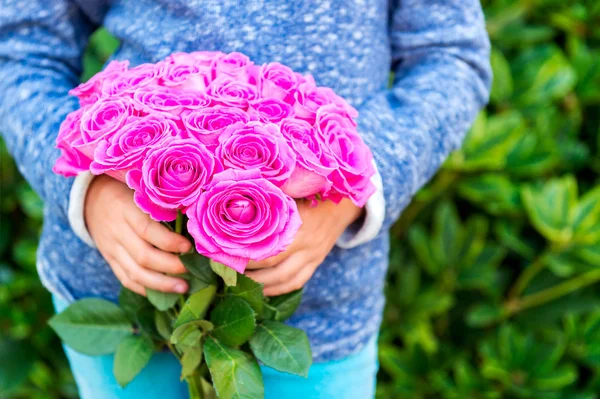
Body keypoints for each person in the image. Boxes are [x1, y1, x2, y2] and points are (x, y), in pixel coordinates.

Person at [0, 1, 491, 398]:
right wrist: (87, 190)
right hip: (123, 288)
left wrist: (354, 186)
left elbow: (450, 57)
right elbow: (21, 48)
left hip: (319, 310)